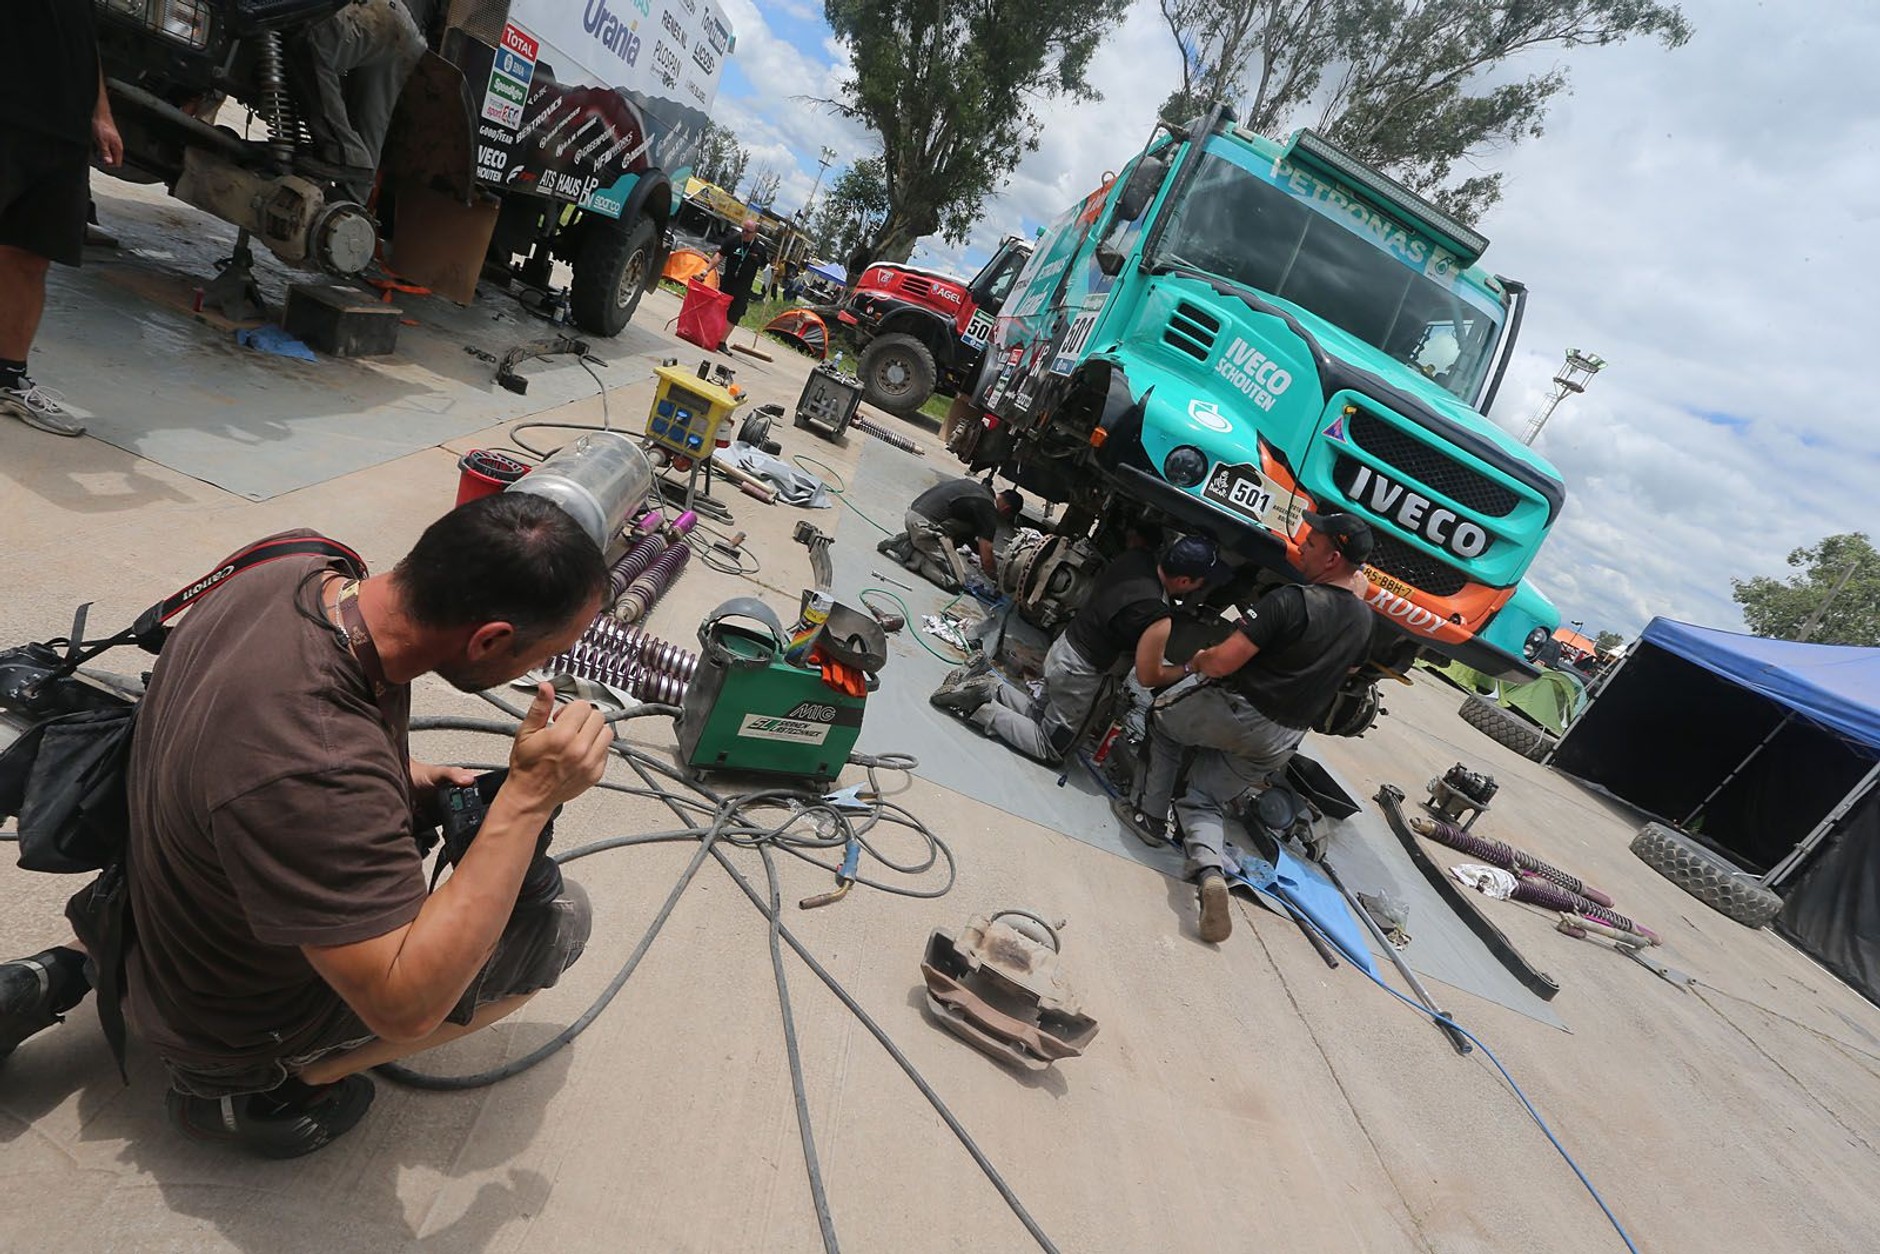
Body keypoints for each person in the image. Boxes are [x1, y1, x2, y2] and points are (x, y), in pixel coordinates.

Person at [0, 495, 614, 1157]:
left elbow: (262, 743)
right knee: (560, 919)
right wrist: (526, 801)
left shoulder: (294, 563)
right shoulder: (314, 769)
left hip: (144, 905)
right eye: (547, 654)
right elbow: (404, 1006)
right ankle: (244, 1086)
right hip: (224, 1015)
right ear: (490, 638)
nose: (541, 672)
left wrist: (400, 776)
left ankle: (75, 969)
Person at [1121, 511, 1376, 942]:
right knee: (1203, 796)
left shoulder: (1290, 601)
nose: (1302, 550)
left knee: (1162, 718)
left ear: (1333, 558)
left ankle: (1147, 817)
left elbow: (1222, 663)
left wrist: (1198, 659)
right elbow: (1351, 666)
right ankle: (1208, 871)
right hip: (1282, 738)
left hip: (1238, 710)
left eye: (1311, 544)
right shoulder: (1365, 621)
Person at [933, 536, 1220, 763]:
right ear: (1184, 581)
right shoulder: (1157, 616)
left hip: (1064, 648)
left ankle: (988, 683)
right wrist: (1190, 667)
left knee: (1039, 712)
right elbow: (1148, 676)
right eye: (1200, 583)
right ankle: (977, 706)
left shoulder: (1135, 559)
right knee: (1051, 746)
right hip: (1082, 676)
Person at [0, 0, 121, 437]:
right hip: (7, 110)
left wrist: (100, 112)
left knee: (31, 254)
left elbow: (82, 30)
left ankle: (8, 380)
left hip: (64, 125)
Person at [289, 0, 427, 202]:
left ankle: (345, 153)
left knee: (314, 43)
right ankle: (352, 204)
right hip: (407, 33)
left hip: (383, 14)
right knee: (370, 126)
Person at [877, 478, 1022, 592]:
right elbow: (986, 556)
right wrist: (996, 578)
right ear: (1007, 510)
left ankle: (915, 541)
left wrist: (979, 550)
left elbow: (971, 534)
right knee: (956, 582)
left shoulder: (975, 488)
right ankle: (910, 551)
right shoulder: (988, 510)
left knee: (969, 527)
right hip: (925, 527)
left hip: (914, 514)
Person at [712, 218, 770, 350]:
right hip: (727, 282)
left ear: (755, 233)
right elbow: (719, 256)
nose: (744, 233)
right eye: (743, 229)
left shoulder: (760, 249)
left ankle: (721, 341)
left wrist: (770, 279)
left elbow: (766, 267)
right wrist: (706, 270)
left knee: (734, 315)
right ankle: (710, 333)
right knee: (718, 309)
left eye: (748, 231)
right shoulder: (733, 240)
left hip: (743, 289)